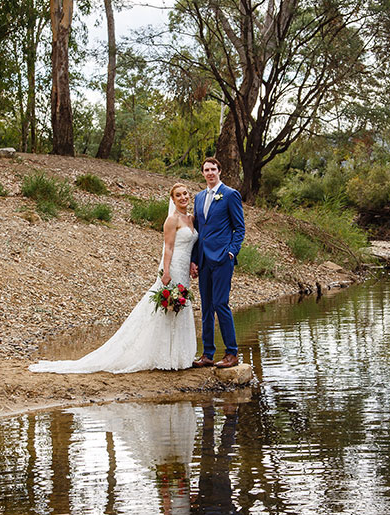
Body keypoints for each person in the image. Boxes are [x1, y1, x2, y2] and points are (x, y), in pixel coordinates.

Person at [28, 183, 197, 374]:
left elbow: (192, 245)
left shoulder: (190, 219)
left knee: (180, 306)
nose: (183, 197)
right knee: (165, 308)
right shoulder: (172, 220)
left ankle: (180, 356)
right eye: (178, 195)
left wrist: (193, 263)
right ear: (172, 199)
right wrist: (166, 271)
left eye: (185, 194)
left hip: (185, 270)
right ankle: (163, 355)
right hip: (173, 268)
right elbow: (168, 248)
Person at [190, 157, 245, 369]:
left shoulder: (230, 195)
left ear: (219, 171)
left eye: (213, 169)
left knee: (221, 304)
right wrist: (194, 260)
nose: (210, 173)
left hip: (222, 259)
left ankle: (232, 353)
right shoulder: (198, 197)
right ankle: (208, 354)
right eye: (206, 170)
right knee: (206, 307)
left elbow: (239, 228)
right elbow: (198, 232)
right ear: (203, 173)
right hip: (203, 259)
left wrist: (231, 252)